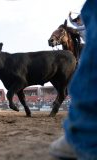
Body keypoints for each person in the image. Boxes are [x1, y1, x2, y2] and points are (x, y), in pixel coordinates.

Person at [50, 0, 97, 160]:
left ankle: (86, 133)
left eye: (79, 20)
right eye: (77, 21)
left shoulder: (80, 31)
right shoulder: (79, 29)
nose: (78, 22)